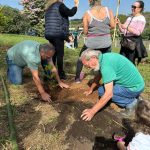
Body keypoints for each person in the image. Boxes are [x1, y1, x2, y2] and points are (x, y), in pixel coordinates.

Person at [80, 49, 145, 121]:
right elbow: (99, 75)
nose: (88, 68)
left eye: (87, 65)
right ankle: (136, 97)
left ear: (93, 58)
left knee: (102, 91)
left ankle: (131, 104)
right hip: (137, 84)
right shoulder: (104, 57)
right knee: (104, 87)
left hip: (134, 88)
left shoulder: (106, 67)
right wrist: (91, 89)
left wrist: (92, 111)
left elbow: (108, 94)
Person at [75, 0, 115, 83]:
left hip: (92, 44)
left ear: (90, 1)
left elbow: (85, 32)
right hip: (106, 43)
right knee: (106, 63)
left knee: (80, 58)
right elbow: (113, 26)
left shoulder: (87, 13)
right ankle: (107, 81)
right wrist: (103, 29)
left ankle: (77, 78)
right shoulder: (109, 11)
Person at [45, 0, 79, 80]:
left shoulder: (49, 7)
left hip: (49, 34)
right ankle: (61, 74)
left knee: (52, 54)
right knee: (60, 55)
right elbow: (70, 13)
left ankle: (49, 74)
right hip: (57, 34)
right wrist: (76, 5)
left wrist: (66, 38)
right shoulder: (59, 5)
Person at [116, 0, 147, 65]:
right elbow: (123, 31)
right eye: (132, 6)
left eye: (134, 7)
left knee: (130, 64)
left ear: (140, 9)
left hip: (132, 45)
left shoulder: (141, 18)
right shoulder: (129, 18)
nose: (132, 8)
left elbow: (138, 32)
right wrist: (119, 24)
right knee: (122, 62)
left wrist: (127, 27)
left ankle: (131, 75)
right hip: (125, 43)